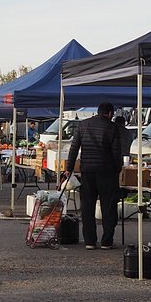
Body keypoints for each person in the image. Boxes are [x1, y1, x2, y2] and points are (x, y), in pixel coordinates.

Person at [61, 102, 122, 250]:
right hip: (107, 172)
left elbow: (74, 148)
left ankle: (90, 241)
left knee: (87, 206)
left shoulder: (83, 125)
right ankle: (107, 241)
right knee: (108, 207)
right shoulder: (112, 127)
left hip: (87, 171)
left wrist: (69, 168)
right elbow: (116, 152)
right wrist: (117, 169)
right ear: (110, 113)